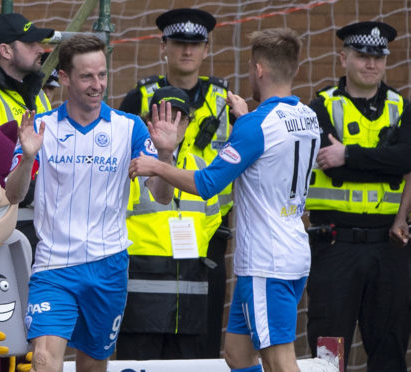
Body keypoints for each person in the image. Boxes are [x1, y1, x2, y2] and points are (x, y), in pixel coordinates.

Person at [129, 28, 320, 372]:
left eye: (250, 67)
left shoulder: (256, 126)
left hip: (267, 261)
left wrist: (157, 164)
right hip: (287, 249)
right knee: (236, 353)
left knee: (279, 360)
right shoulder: (307, 117)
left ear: (258, 69)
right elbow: (268, 155)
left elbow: (206, 183)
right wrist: (245, 120)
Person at [5, 34, 178, 372]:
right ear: (66, 78)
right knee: (42, 359)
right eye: (86, 76)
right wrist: (26, 158)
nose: (97, 84)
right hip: (54, 267)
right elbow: (13, 195)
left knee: (93, 365)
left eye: (102, 75)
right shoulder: (42, 128)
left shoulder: (130, 129)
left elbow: (161, 195)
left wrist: (166, 155)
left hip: (108, 267)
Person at [119, 8, 233, 358]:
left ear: (206, 48)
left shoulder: (226, 101)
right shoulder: (140, 97)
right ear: (163, 46)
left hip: (207, 235)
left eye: (195, 44)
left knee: (200, 339)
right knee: (143, 344)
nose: (187, 51)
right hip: (147, 243)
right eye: (180, 43)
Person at [305, 21, 411, 371]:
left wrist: (349, 155)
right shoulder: (320, 106)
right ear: (343, 58)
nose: (371, 64)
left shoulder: (402, 107)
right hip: (335, 245)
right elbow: (329, 165)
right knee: (328, 352)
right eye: (362, 56)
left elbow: (407, 159)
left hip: (390, 246)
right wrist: (388, 164)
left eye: (378, 57)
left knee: (389, 349)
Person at [116, 86, 221, 360]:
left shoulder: (199, 167)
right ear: (148, 120)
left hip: (189, 304)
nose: (171, 124)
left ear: (188, 123)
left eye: (178, 118)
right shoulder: (131, 165)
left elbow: (211, 221)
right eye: (162, 116)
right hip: (140, 307)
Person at [0, 12, 55, 262]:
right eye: (30, 44)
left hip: (42, 224)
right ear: (6, 51)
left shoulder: (37, 95)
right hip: (1, 223)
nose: (40, 49)